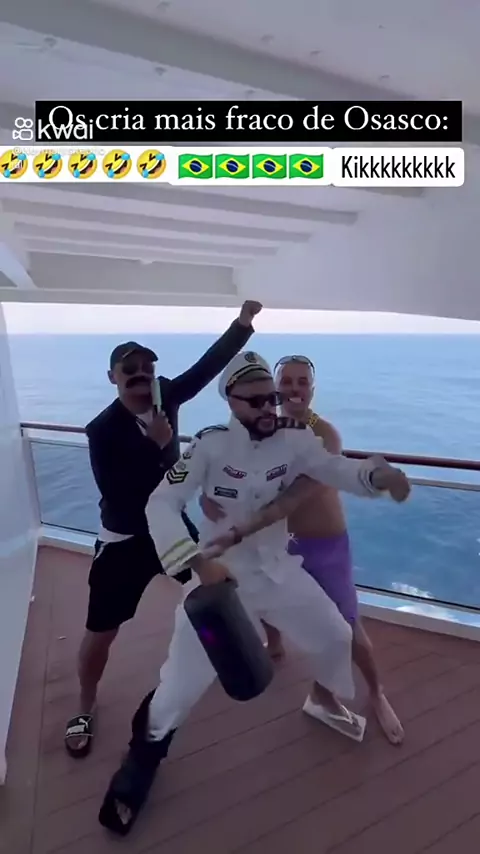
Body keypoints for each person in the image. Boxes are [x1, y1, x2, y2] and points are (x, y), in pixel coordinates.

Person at [97, 350, 410, 835]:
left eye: (273, 398)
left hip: (279, 574)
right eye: (257, 400)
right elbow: (161, 502)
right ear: (231, 400)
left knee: (335, 636)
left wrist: (375, 476)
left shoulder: (295, 438)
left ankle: (322, 699)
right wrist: (196, 561)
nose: (270, 407)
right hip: (219, 585)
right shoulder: (209, 446)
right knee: (178, 688)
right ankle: (143, 757)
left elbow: (335, 468)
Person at [64, 301, 262, 758]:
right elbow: (118, 495)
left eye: (147, 368)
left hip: (170, 527)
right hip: (126, 540)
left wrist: (242, 325)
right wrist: (156, 447)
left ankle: (222, 655)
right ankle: (85, 704)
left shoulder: (166, 395)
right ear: (113, 377)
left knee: (216, 590)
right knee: (101, 631)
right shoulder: (102, 431)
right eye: (129, 369)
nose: (141, 374)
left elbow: (206, 368)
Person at [201, 354, 404, 745]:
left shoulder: (324, 435)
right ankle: (276, 647)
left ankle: (374, 692)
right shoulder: (262, 432)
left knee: (347, 626)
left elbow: (292, 495)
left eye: (302, 382)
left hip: (325, 547)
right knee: (265, 598)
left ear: (312, 389)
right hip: (279, 542)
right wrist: (208, 495)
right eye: (287, 382)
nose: (294, 389)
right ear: (275, 388)